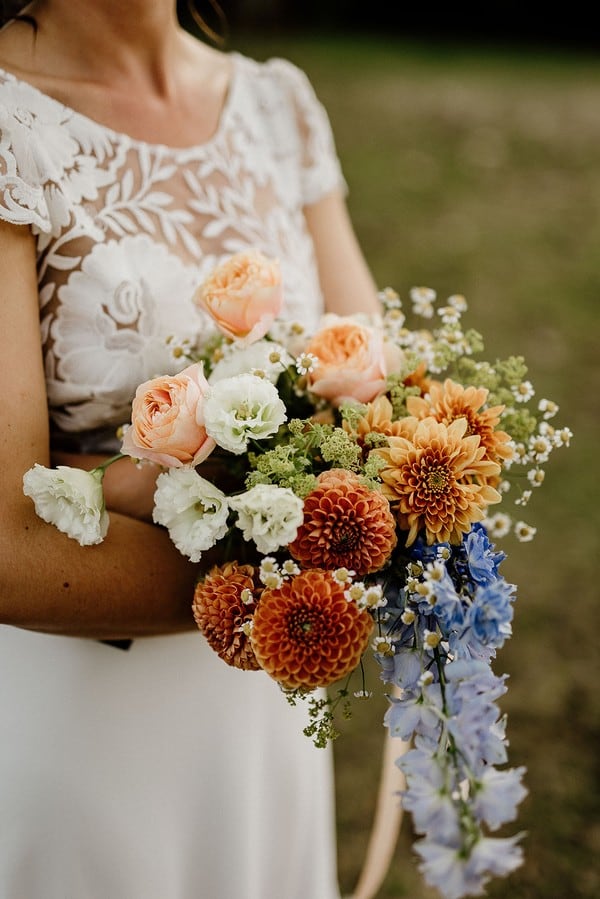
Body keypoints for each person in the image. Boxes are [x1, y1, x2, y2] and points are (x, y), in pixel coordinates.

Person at [0, 2, 388, 898]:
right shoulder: (10, 124)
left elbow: (379, 392)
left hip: (263, 711)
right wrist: (306, 576)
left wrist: (327, 554)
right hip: (81, 726)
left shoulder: (275, 104)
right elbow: (9, 547)